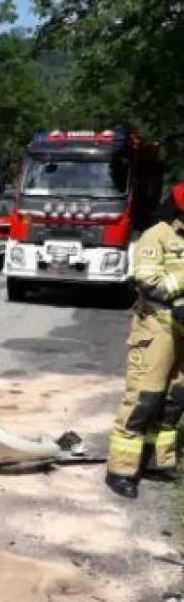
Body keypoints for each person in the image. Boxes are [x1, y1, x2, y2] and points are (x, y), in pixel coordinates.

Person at [106, 183, 184, 498]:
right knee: (144, 398)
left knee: (174, 400)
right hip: (156, 329)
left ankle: (157, 462)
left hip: (181, 332)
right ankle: (121, 470)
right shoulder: (157, 235)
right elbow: (149, 284)